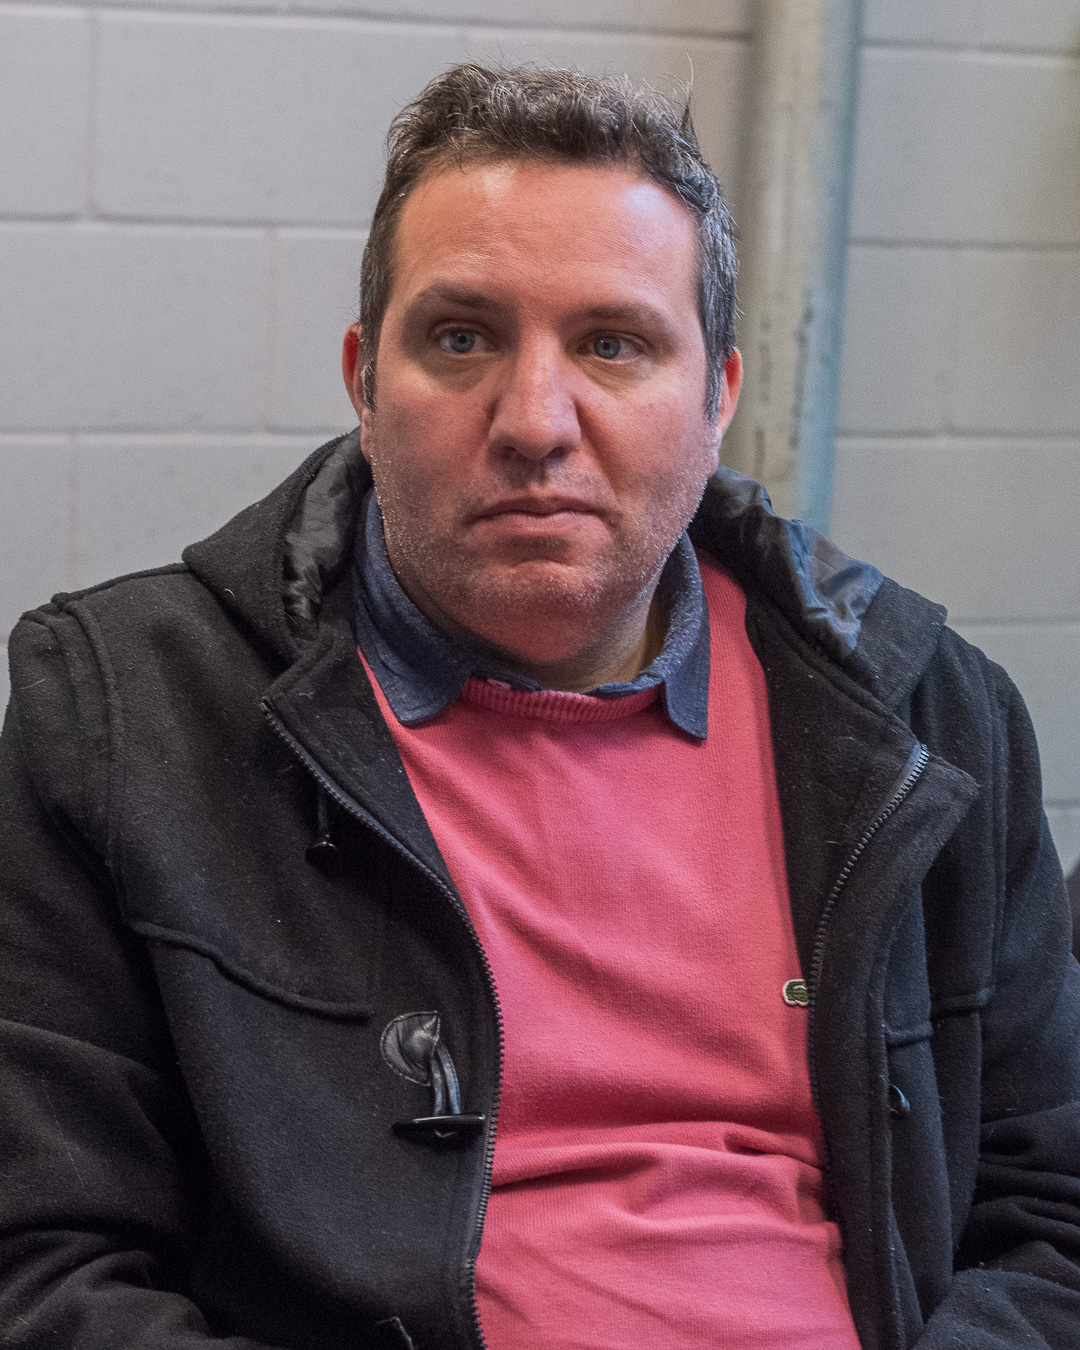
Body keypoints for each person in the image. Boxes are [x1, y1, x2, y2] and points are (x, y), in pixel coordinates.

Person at [1, 63, 1078, 1350]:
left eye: (613, 344)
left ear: (720, 396)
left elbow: (1052, 1219)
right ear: (364, 381)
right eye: (463, 338)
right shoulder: (128, 717)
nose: (534, 421)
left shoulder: (929, 719)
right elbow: (43, 1267)